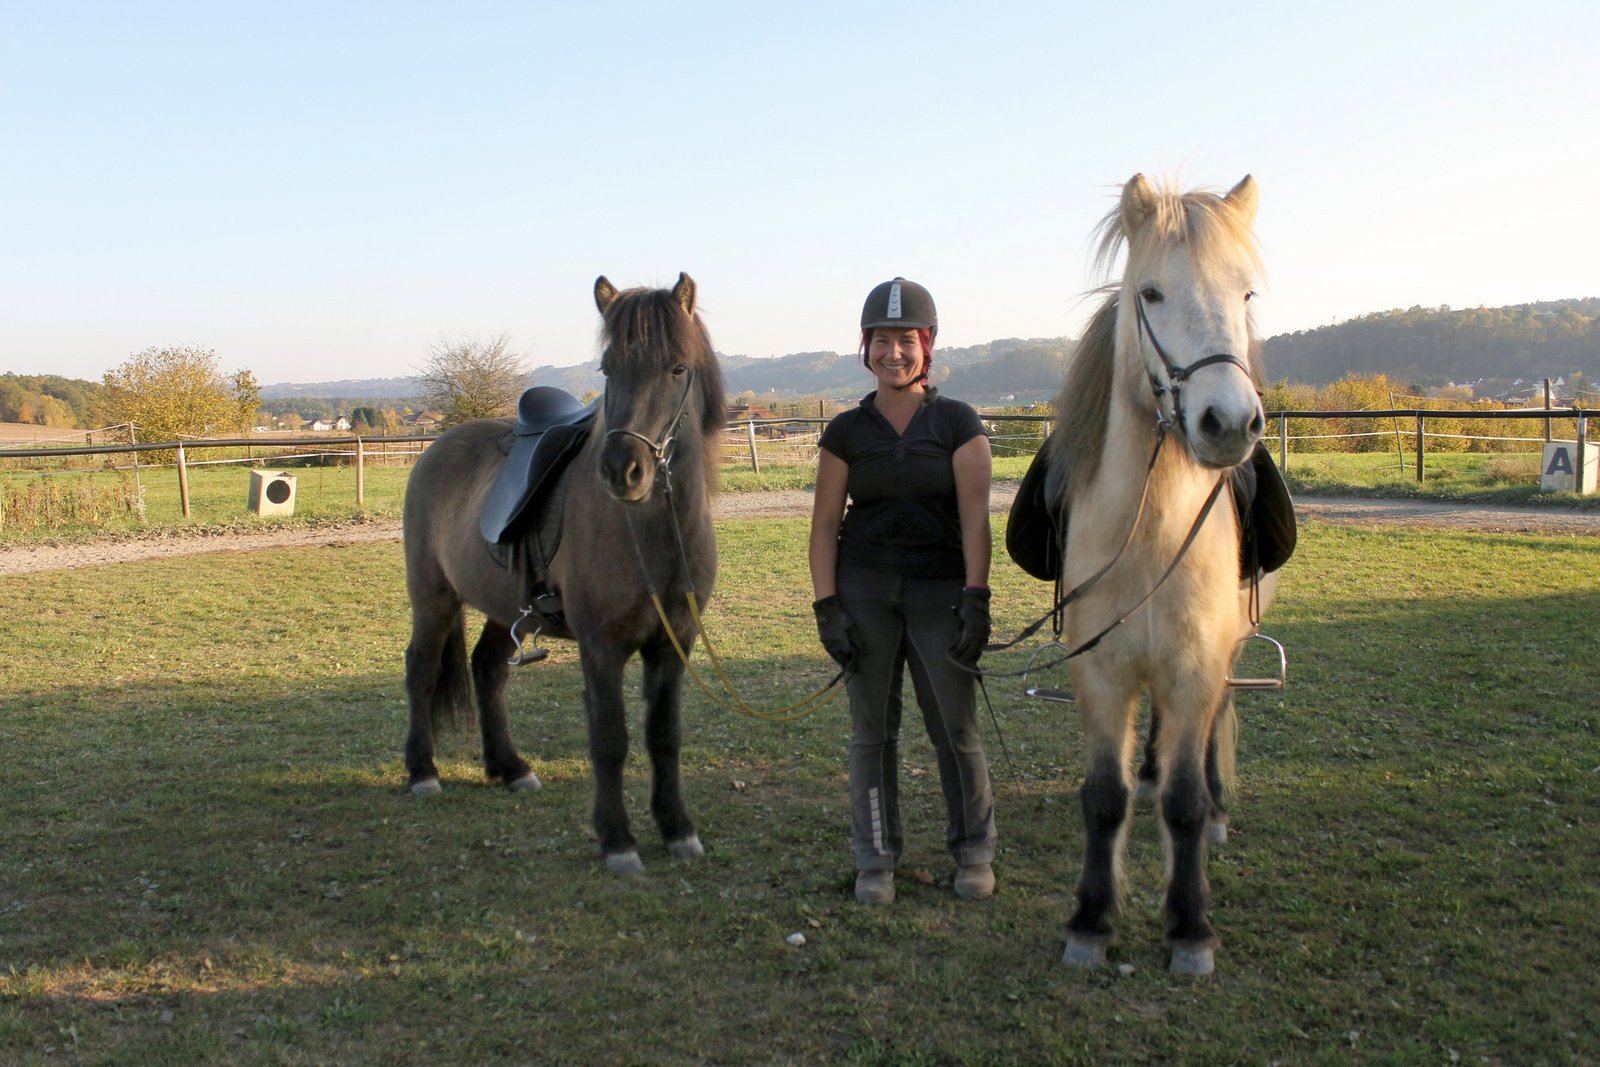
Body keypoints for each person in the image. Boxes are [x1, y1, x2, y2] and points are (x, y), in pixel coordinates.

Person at [808, 277, 998, 906]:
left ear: (927, 346)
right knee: (872, 733)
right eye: (882, 341)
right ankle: (875, 858)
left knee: (955, 728)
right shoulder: (845, 432)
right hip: (864, 593)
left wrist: (976, 597)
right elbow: (824, 526)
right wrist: (827, 607)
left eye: (906, 341)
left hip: (940, 592)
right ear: (865, 347)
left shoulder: (958, 423)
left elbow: (975, 519)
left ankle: (973, 850)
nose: (894, 353)